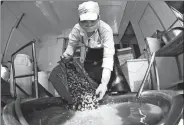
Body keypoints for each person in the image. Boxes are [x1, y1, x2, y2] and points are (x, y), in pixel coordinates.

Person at [62, 1, 128, 100]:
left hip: (106, 54)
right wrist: (67, 55)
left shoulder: (106, 30)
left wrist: (104, 83)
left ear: (98, 18)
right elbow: (71, 46)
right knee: (89, 85)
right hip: (91, 53)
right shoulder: (76, 30)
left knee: (118, 86)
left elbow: (108, 57)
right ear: (79, 20)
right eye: (84, 21)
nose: (88, 25)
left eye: (92, 21)